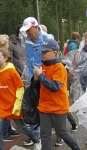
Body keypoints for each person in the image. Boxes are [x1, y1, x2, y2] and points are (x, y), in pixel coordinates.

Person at [33, 38, 80, 150]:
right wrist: (34, 79)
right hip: (44, 106)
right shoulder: (42, 65)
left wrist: (40, 76)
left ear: (54, 52)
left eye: (45, 52)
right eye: (41, 51)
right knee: (45, 135)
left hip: (58, 106)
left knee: (62, 132)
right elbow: (37, 86)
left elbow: (54, 87)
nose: (42, 54)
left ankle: (75, 146)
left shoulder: (59, 67)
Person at [0, 47, 41, 150]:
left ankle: (36, 140)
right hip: (1, 106)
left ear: (5, 58)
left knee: (22, 128)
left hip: (13, 105)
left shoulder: (12, 71)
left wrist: (17, 105)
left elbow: (20, 88)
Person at [20, 17, 51, 146]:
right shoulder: (27, 39)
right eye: (25, 30)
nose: (27, 33)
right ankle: (36, 136)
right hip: (31, 77)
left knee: (46, 106)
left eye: (28, 30)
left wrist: (45, 76)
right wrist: (26, 73)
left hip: (44, 77)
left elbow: (52, 59)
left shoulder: (47, 39)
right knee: (32, 105)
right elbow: (26, 58)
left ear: (35, 27)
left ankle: (58, 132)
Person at [0, 34, 21, 142]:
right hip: (5, 91)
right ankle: (4, 133)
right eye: (7, 42)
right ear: (4, 44)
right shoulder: (3, 55)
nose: (9, 44)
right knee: (6, 109)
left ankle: (8, 130)